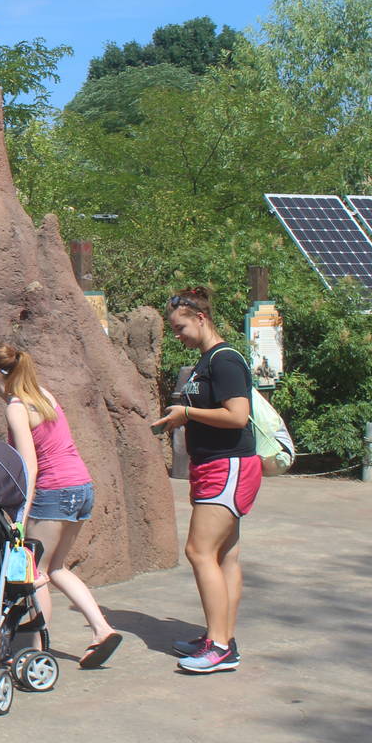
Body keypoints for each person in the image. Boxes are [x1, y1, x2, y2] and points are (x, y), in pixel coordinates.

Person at [0, 342, 122, 668]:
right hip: (80, 488)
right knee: (56, 568)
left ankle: (32, 650)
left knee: (35, 572)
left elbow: (30, 465)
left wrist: (20, 516)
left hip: (54, 491)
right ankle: (101, 629)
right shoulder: (42, 393)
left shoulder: (16, 406)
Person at [151, 287, 258, 674]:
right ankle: (222, 636)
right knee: (225, 554)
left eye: (180, 327)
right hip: (213, 464)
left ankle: (220, 647)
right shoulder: (206, 360)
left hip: (227, 465)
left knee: (198, 551)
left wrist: (187, 415)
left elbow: (237, 416)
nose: (177, 335)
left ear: (201, 318)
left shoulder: (225, 360)